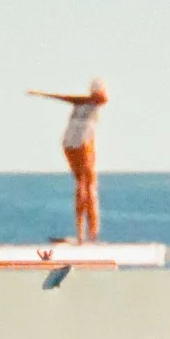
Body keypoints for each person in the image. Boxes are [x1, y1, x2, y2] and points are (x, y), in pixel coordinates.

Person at [27, 76, 108, 241]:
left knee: (83, 184)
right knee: (87, 185)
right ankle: (86, 234)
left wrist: (46, 94)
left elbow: (93, 99)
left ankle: (86, 233)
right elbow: (100, 98)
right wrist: (47, 95)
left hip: (69, 143)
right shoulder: (91, 102)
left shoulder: (84, 103)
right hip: (80, 142)